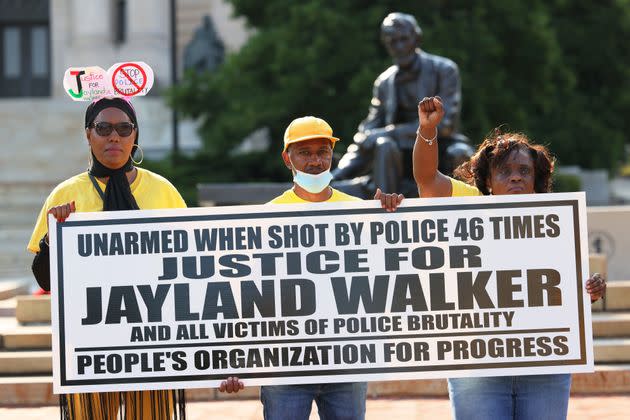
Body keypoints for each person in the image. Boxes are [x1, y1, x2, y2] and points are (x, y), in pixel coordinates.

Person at [27, 96, 243, 419]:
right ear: (88, 134)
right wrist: (51, 239)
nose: (114, 136)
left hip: (151, 348)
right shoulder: (64, 195)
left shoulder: (164, 192)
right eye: (103, 127)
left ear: (135, 136)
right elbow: (45, 280)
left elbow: (195, 272)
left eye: (124, 128)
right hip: (91, 350)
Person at [413, 96, 607, 420]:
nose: (515, 177)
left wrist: (591, 289)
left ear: (535, 179)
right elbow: (426, 179)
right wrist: (427, 130)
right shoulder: (470, 203)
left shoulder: (554, 220)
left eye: (523, 171)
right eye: (505, 171)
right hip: (479, 366)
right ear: (488, 181)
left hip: (545, 367)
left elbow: (566, 293)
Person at [254, 116, 403, 420]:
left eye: (322, 152)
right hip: (286, 364)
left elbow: (387, 270)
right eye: (304, 153)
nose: (315, 161)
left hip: (345, 362)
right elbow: (250, 293)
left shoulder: (359, 211)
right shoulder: (266, 218)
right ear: (287, 158)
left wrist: (390, 217)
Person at [332, 12, 473, 199]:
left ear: (417, 38)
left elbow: (445, 125)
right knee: (383, 145)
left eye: (403, 39)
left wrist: (389, 132)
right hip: (398, 161)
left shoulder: (444, 70)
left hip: (440, 148)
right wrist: (335, 176)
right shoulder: (384, 82)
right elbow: (367, 134)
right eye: (392, 42)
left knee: (459, 153)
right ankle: (385, 215)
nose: (399, 47)